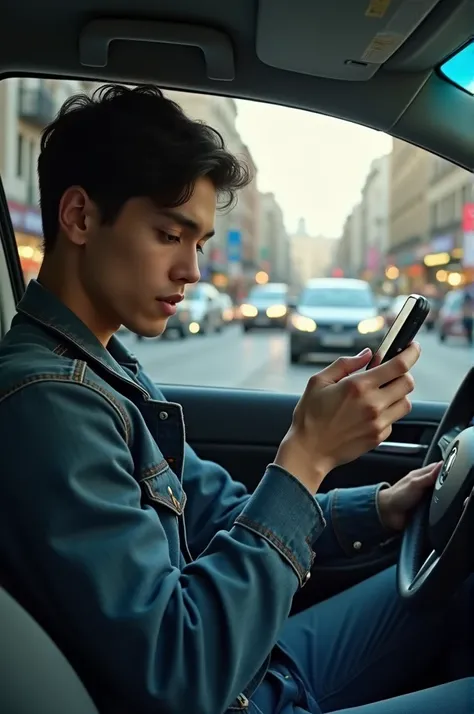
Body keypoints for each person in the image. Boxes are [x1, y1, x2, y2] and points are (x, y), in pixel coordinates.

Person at [0, 85, 471, 714]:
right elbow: (182, 676)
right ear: (81, 217)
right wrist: (305, 456)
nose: (192, 271)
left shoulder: (106, 370)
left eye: (199, 243)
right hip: (238, 690)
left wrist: (382, 507)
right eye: (171, 234)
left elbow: (219, 513)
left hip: (258, 663)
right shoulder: (48, 406)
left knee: (459, 587)